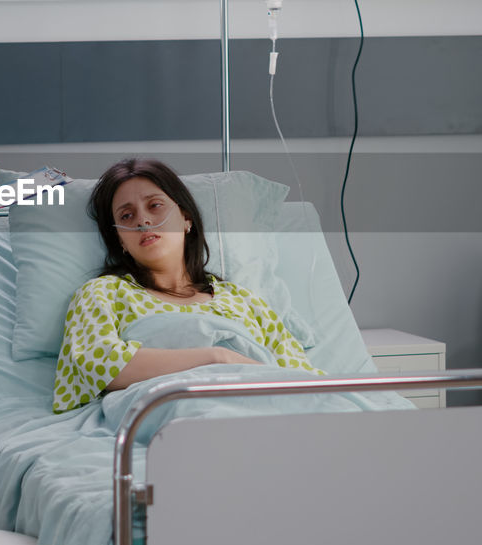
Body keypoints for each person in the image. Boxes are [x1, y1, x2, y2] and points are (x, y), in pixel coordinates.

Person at [52, 158, 319, 413]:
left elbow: (299, 379)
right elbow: (100, 365)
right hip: (179, 412)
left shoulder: (244, 300)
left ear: (186, 218)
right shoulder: (103, 293)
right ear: (120, 240)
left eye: (154, 205)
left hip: (268, 407)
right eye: (127, 216)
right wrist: (216, 358)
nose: (142, 221)